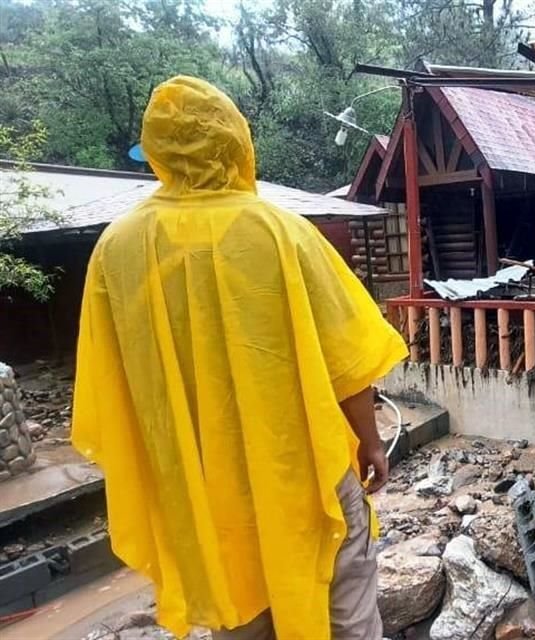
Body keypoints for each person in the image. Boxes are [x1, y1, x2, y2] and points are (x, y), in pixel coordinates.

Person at [72, 75, 408, 640]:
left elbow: (112, 385)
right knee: (344, 606)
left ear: (155, 151)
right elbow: (347, 359)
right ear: (236, 143)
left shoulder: (117, 250)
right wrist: (371, 443)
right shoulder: (281, 233)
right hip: (301, 473)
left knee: (238, 613)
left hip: (198, 487)